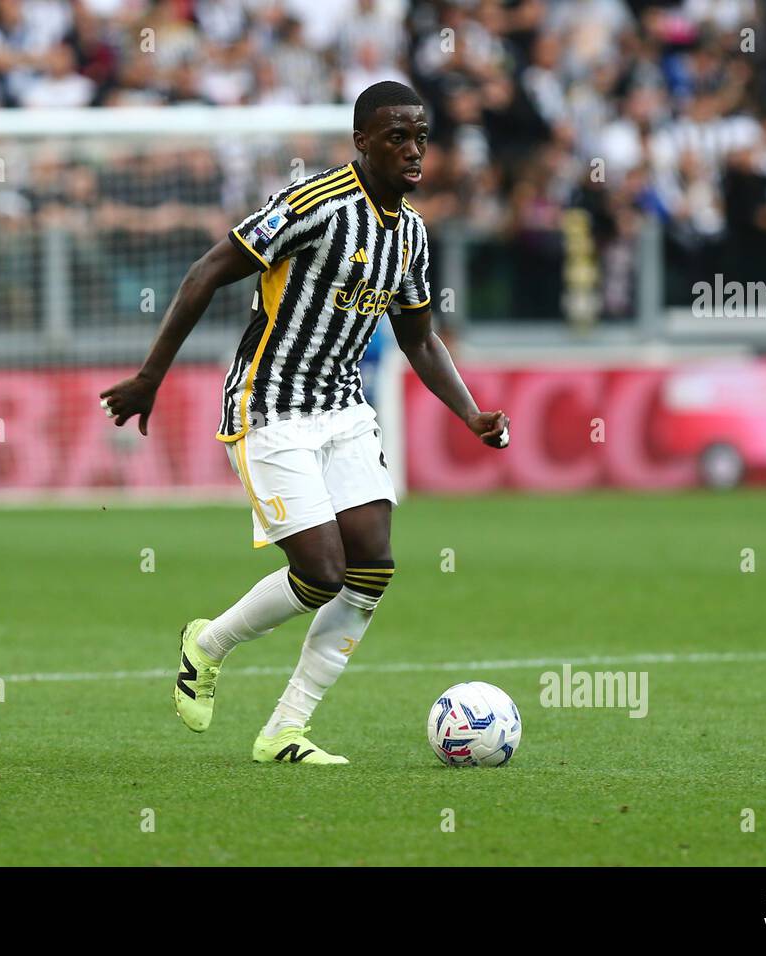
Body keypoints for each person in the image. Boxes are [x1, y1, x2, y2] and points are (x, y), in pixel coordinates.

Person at [99, 81, 510, 764]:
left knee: (372, 567)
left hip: (343, 409)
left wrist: (470, 413)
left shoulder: (410, 233)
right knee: (321, 571)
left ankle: (285, 730)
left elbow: (419, 338)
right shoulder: (312, 206)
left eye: (421, 138)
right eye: (397, 137)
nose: (413, 152)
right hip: (269, 406)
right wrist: (151, 377)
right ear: (362, 142)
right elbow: (206, 272)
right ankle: (208, 644)